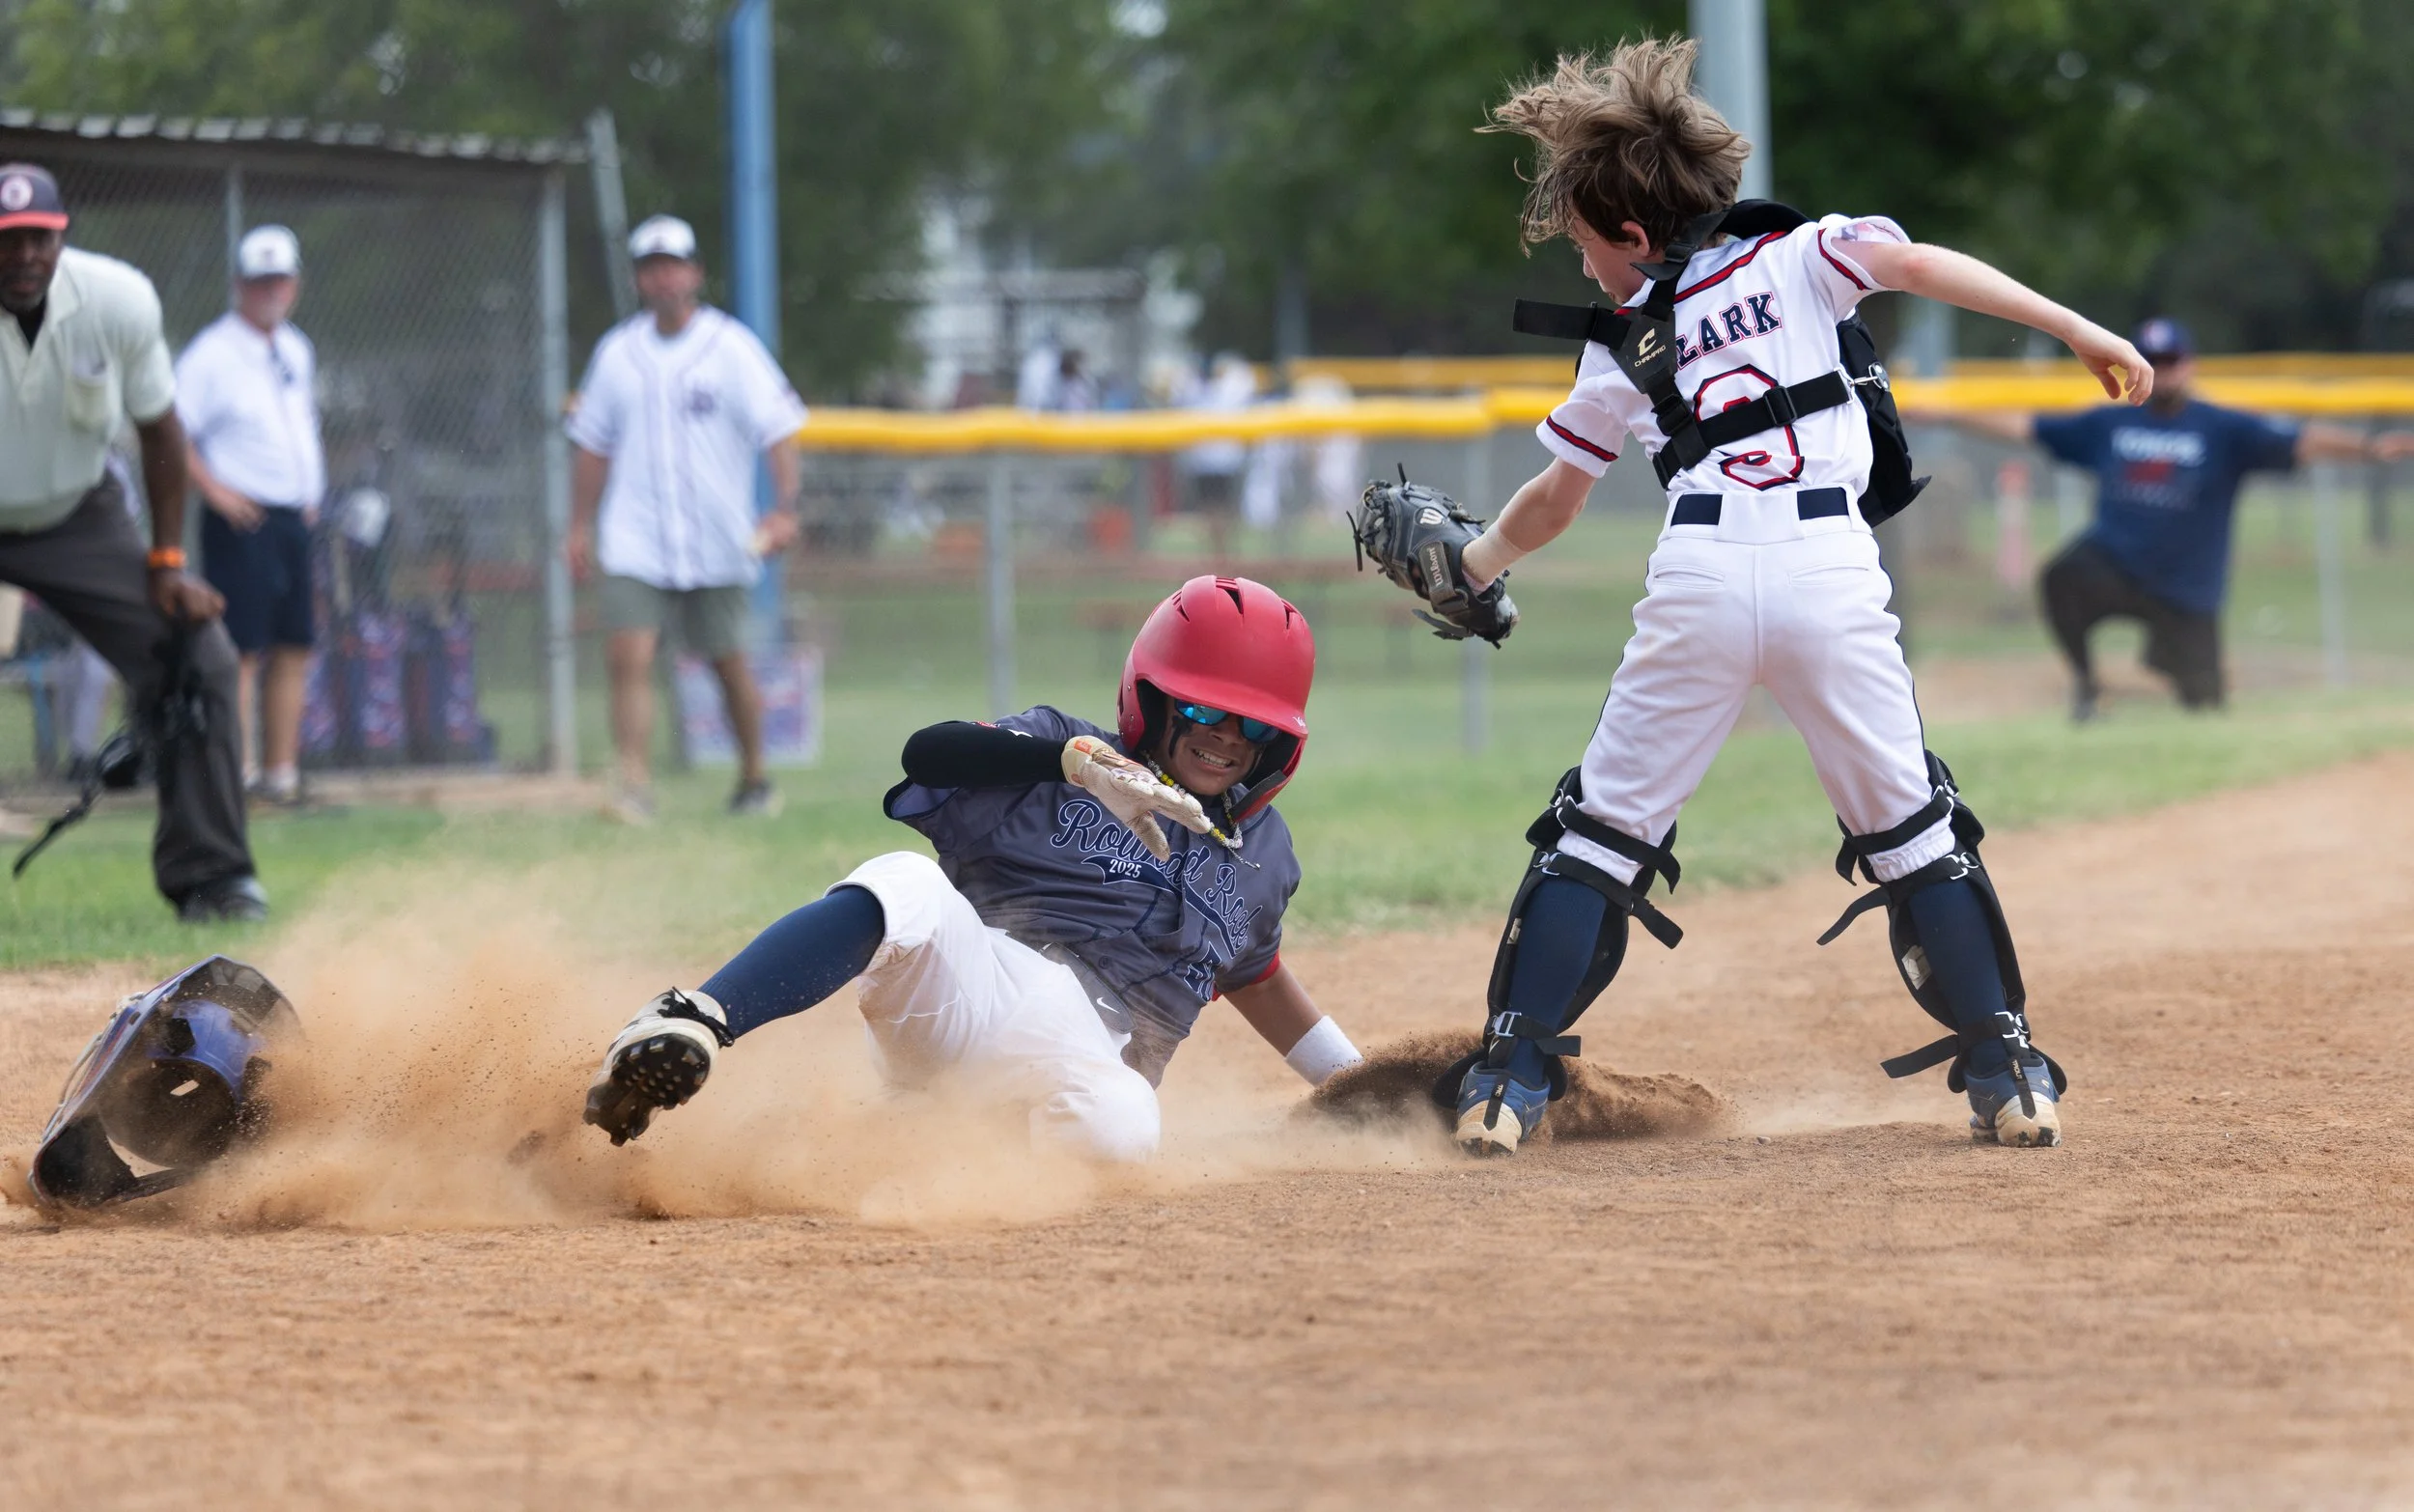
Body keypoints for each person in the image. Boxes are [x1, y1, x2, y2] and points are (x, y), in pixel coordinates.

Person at [1426, 41, 2158, 1156]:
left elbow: (1551, 505)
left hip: (1700, 577)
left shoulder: (1625, 343)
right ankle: (2009, 1071)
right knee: (1913, 832)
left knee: (1601, 835)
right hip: (1829, 571)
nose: (1586, 273)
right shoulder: (1804, 255)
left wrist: (1468, 569)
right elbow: (1924, 267)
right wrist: (2075, 330)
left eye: (1586, 248)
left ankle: (1505, 1081)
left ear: (1634, 235)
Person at [580, 575, 1364, 1162]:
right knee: (908, 882)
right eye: (1200, 710)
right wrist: (1073, 766)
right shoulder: (1065, 747)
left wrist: (1362, 1084)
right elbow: (929, 751)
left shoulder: (1265, 854)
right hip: (975, 986)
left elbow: (1257, 978)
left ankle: (916, 1152)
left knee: (1125, 1130)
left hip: (1096, 1058)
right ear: (1151, 699)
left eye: (1252, 727)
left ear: (1280, 747)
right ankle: (695, 1020)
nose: (1225, 737)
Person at [1914, 318, 2414, 720]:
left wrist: (2369, 447)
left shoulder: (2223, 427)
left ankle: (2172, 666)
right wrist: (1950, 412)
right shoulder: (2110, 421)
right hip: (2115, 566)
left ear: (2189, 366)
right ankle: (2089, 687)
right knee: (2061, 577)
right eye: (2152, 361)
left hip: (2186, 590)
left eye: (2171, 361)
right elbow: (2028, 426)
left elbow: (2300, 440)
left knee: (2205, 707)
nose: (2163, 370)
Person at [0, 162, 263, 921]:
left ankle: (213, 879)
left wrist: (168, 560)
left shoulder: (118, 299)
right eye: (8, 240)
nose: (22, 256)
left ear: (61, 238)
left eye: (37, 240)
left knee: (202, 658)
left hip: (78, 513)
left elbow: (161, 430)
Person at [565, 214, 806, 823]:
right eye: (652, 267)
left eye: (673, 264)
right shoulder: (618, 353)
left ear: (695, 273)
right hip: (635, 534)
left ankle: (754, 777)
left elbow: (779, 430)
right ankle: (634, 785)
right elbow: (592, 446)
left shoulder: (730, 346)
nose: (664, 277)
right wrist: (577, 524)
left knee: (727, 661)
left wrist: (783, 509)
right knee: (629, 654)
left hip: (719, 534)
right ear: (640, 279)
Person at [175, 225, 324, 802]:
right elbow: (172, 431)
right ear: (240, 285)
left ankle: (280, 776)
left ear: (295, 285)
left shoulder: (295, 348)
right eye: (260, 282)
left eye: (280, 281)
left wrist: (309, 494)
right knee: (240, 648)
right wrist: (213, 490)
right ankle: (234, 776)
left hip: (292, 519)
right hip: (242, 520)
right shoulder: (212, 353)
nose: (270, 292)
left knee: (294, 644)